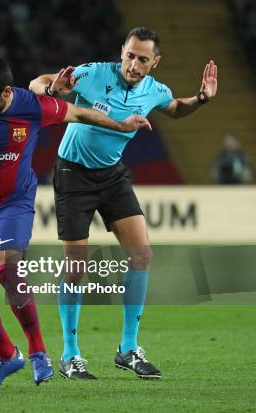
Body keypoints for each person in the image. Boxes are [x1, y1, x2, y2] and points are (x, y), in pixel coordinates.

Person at [0, 51, 151, 391]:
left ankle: (38, 353)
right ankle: (6, 356)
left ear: (7, 92)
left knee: (7, 268)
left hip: (14, 203)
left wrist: (120, 124)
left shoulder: (31, 107)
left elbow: (79, 113)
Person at [29, 26, 218, 379]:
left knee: (142, 254)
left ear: (155, 62)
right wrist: (54, 90)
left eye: (142, 59)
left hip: (112, 175)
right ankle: (71, 355)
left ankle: (128, 349)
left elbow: (175, 109)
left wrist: (201, 100)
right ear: (122, 51)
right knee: (76, 266)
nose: (133, 64)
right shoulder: (93, 73)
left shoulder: (155, 90)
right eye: (130, 55)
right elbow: (37, 84)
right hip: (73, 174)